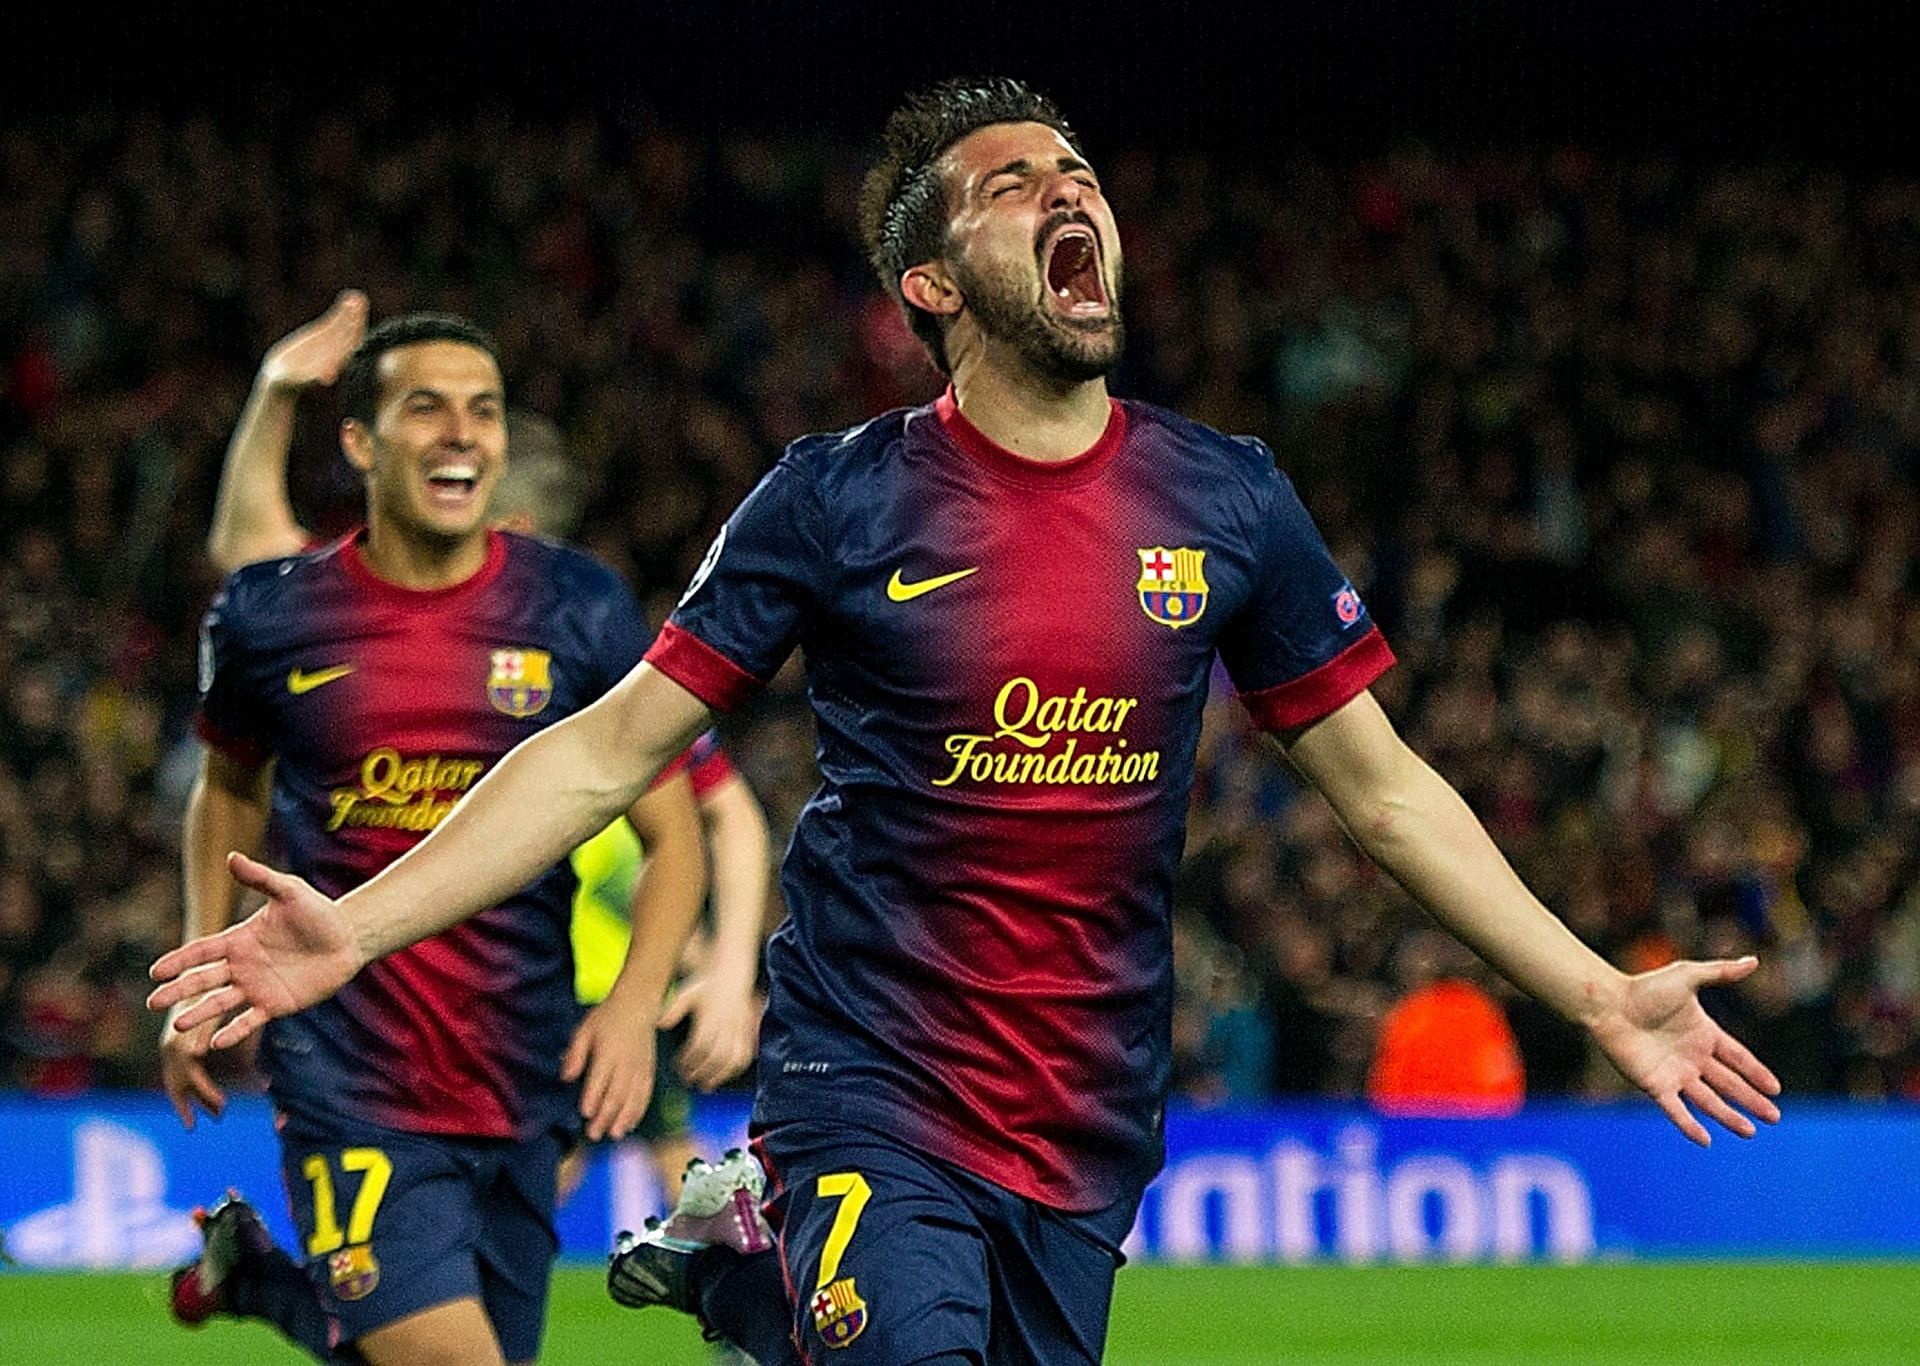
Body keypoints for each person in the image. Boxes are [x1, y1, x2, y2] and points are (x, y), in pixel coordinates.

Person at [152, 79, 1783, 1365]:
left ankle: (743, 1289)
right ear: (929, 279)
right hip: (868, 1075)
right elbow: (606, 747)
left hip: (1085, 1108)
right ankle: (769, 1257)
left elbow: (1386, 789)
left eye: (1077, 170)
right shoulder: (836, 499)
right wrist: (353, 927)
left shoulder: (1224, 498)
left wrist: (1597, 993)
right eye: (1013, 181)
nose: (1067, 189)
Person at [161, 309, 707, 1366]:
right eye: (426, 408)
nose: (461, 433)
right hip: (350, 1069)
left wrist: (637, 1006)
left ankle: (271, 1288)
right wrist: (203, 968)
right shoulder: (273, 615)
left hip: (522, 1071)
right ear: (361, 442)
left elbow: (674, 833)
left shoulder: (577, 605)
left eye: (484, 411)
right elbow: (226, 789)